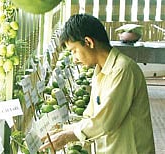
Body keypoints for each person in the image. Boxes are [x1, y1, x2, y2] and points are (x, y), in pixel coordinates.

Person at [40, 13, 155, 154]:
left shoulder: (122, 70)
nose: (74, 59)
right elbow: (91, 117)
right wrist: (63, 130)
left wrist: (66, 137)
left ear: (88, 42)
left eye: (74, 51)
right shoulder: (100, 71)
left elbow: (104, 122)